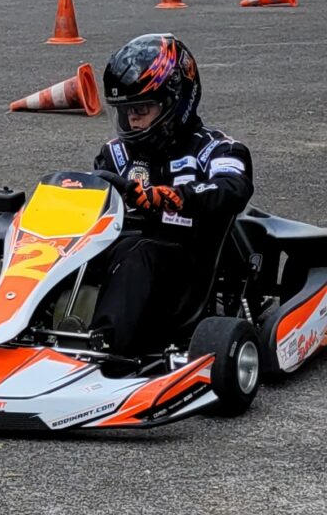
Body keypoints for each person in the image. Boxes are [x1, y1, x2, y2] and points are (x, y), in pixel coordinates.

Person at [90, 33, 254, 357]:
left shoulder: (217, 150)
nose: (132, 119)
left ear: (175, 102)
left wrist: (169, 197)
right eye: (126, 110)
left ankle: (105, 348)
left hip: (185, 267)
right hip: (122, 254)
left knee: (138, 252)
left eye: (141, 108)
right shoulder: (116, 155)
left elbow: (232, 188)